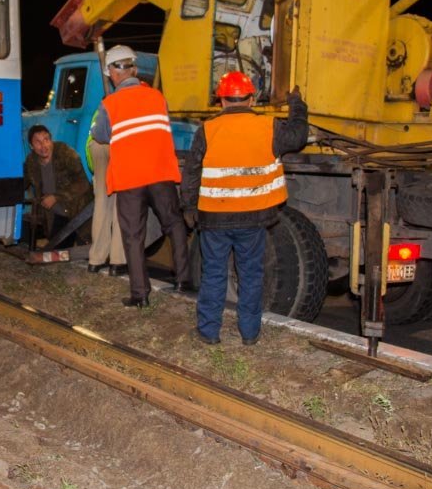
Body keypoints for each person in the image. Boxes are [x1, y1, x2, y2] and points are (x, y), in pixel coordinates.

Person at [180, 72, 308, 345]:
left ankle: (208, 332)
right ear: (252, 100)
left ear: (222, 101)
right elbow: (298, 136)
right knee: (251, 275)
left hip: (214, 218)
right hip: (253, 217)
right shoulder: (268, 126)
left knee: (213, 274)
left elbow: (191, 171)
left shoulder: (207, 129)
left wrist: (189, 207)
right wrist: (296, 104)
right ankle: (250, 334)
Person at [90, 45, 190, 307]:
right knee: (174, 224)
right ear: (133, 69)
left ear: (112, 73)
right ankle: (183, 280)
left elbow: (100, 136)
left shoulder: (109, 104)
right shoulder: (157, 97)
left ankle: (140, 294)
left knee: (133, 236)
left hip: (130, 179)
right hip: (160, 173)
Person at [23, 125, 93, 247]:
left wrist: (56, 197)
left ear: (51, 139)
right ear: (31, 146)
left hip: (79, 212)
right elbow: (22, 182)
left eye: (46, 139)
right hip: (56, 216)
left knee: (85, 249)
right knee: (57, 250)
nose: (44, 146)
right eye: (38, 142)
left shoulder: (65, 153)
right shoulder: (31, 162)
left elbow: (82, 183)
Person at [85, 107, 127, 275]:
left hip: (96, 146)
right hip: (117, 146)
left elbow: (94, 134)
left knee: (101, 205)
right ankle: (117, 261)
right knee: (120, 205)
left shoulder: (103, 105)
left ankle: (96, 260)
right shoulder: (130, 102)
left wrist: (94, 171)